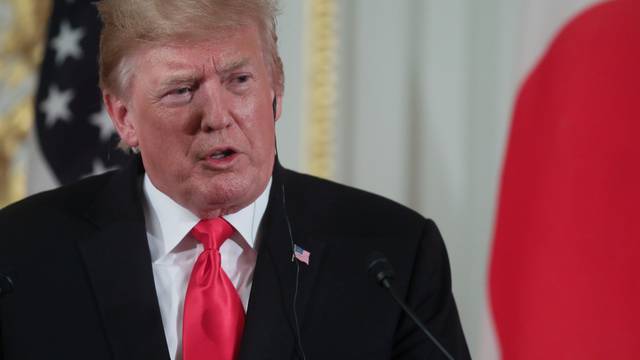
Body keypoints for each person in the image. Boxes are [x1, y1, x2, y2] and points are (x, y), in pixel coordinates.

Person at [0, 0, 470, 359]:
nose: (217, 117)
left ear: (276, 90)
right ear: (122, 117)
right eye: (182, 90)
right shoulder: (21, 254)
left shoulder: (393, 256)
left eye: (239, 80)